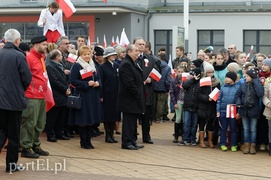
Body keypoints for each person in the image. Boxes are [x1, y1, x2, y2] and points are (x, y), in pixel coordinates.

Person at [0, 29, 32, 173]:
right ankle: (11, 165)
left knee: (1, 131)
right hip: (13, 102)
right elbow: (26, 78)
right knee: (13, 135)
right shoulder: (19, 55)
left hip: (1, 101)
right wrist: (19, 89)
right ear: (17, 41)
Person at [20, 35, 49, 158]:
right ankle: (26, 147)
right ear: (36, 45)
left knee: (40, 123)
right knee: (29, 122)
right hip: (31, 95)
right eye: (44, 44)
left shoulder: (41, 58)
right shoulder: (29, 58)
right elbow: (24, 76)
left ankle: (35, 144)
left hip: (41, 95)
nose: (46, 46)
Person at [69, 46, 102, 149]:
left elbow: (99, 78)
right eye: (84, 54)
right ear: (80, 55)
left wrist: (98, 83)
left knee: (91, 119)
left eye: (88, 54)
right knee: (83, 119)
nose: (87, 56)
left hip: (93, 96)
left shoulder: (93, 65)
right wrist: (87, 83)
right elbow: (73, 81)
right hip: (83, 96)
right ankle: (83, 141)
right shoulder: (77, 66)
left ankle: (88, 140)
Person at [117, 44, 146, 150]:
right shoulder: (126, 64)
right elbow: (128, 82)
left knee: (133, 122)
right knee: (128, 122)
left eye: (138, 51)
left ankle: (132, 140)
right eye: (135, 51)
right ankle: (127, 142)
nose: (138, 52)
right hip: (129, 99)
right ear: (129, 52)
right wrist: (137, 93)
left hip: (133, 99)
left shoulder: (133, 63)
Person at [236, 68, 264, 154]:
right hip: (244, 109)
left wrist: (256, 82)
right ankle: (246, 145)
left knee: (253, 128)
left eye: (248, 76)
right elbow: (238, 95)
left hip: (254, 109)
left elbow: (260, 94)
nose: (245, 77)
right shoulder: (243, 85)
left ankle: (253, 145)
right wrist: (239, 103)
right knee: (245, 128)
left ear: (252, 77)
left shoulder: (258, 85)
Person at [45, 49, 71, 142]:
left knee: (61, 116)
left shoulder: (60, 66)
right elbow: (54, 81)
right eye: (60, 55)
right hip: (56, 95)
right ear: (56, 57)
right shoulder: (50, 66)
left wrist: (67, 88)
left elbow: (64, 79)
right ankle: (51, 134)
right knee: (53, 116)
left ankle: (59, 133)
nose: (62, 57)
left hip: (62, 95)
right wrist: (64, 89)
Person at [134, 37, 156, 144]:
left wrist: (150, 80)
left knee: (146, 116)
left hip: (147, 91)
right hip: (135, 91)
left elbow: (155, 73)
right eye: (139, 44)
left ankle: (146, 136)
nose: (141, 46)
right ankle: (133, 136)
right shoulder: (132, 58)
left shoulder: (150, 59)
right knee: (134, 116)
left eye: (143, 44)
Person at [98, 47, 120, 143]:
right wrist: (101, 95)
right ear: (107, 56)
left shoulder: (116, 66)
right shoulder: (102, 67)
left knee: (114, 116)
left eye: (114, 54)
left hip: (116, 94)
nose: (113, 56)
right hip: (107, 95)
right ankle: (108, 135)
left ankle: (112, 135)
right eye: (111, 55)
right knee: (108, 116)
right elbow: (101, 82)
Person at [197, 62, 220, 148]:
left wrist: (213, 97)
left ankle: (210, 141)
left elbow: (218, 92)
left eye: (212, 72)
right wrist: (207, 98)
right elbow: (198, 94)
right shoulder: (202, 81)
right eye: (208, 72)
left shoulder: (217, 82)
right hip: (203, 106)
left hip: (212, 106)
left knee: (211, 124)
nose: (210, 74)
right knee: (202, 124)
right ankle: (201, 141)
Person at [217, 72, 240, 152]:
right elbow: (219, 100)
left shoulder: (237, 88)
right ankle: (223, 143)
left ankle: (233, 144)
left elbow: (239, 101)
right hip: (223, 110)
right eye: (226, 77)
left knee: (233, 128)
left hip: (233, 110)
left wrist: (238, 112)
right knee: (223, 128)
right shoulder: (223, 88)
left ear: (233, 79)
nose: (226, 79)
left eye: (228, 77)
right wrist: (218, 110)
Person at [179, 68, 201, 146]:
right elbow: (184, 86)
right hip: (187, 106)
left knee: (194, 124)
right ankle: (185, 139)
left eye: (194, 74)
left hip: (196, 106)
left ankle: (192, 139)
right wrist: (192, 80)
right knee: (186, 123)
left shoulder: (200, 83)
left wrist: (196, 80)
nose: (192, 75)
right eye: (191, 74)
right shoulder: (189, 81)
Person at [170, 66, 185, 143]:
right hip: (178, 101)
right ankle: (176, 136)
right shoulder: (174, 81)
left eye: (182, 72)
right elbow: (172, 92)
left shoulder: (187, 80)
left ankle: (182, 134)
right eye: (179, 72)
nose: (180, 73)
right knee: (178, 118)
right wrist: (174, 103)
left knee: (184, 119)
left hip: (186, 102)